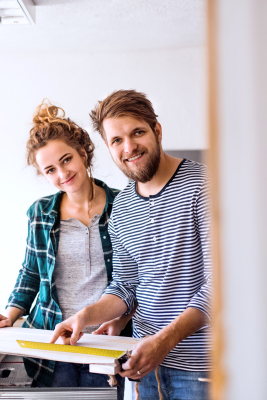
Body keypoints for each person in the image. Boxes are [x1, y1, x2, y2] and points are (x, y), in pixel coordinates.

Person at [50, 90, 211, 400]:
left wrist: (163, 342)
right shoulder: (122, 207)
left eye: (137, 132)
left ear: (157, 131)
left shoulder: (204, 186)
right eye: (116, 140)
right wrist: (86, 317)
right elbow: (125, 286)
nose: (129, 147)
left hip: (200, 370)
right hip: (141, 366)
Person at [0, 100, 131, 398]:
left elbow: (136, 277)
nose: (62, 173)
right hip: (52, 339)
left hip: (106, 338)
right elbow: (30, 272)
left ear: (83, 153)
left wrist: (121, 318)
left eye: (66, 159)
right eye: (50, 169)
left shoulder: (123, 206)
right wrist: (9, 313)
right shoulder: (40, 212)